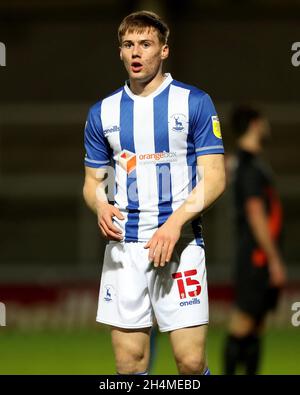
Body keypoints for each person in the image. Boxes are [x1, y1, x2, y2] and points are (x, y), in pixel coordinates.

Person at [83, 10, 225, 375]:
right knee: (130, 365)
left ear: (163, 51)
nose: (136, 52)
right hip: (125, 251)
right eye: (129, 44)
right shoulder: (103, 112)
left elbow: (215, 178)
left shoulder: (194, 102)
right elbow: (92, 182)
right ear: (119, 52)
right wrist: (99, 204)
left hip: (179, 245)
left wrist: (175, 223)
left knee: (191, 363)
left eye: (145, 44)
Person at [223, 106, 286, 375]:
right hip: (255, 256)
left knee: (257, 325)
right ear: (255, 124)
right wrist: (273, 260)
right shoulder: (248, 165)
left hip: (258, 256)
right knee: (242, 324)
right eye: (263, 122)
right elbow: (255, 213)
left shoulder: (246, 162)